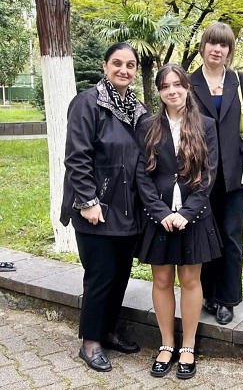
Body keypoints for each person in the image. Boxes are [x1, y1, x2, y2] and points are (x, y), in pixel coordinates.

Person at [60, 43, 147, 372]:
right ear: (105, 65)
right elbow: (77, 156)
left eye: (130, 65)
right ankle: (91, 342)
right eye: (117, 63)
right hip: (96, 208)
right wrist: (87, 201)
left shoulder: (137, 108)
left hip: (127, 209)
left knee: (120, 274)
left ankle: (109, 331)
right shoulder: (88, 103)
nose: (124, 70)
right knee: (101, 275)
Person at [135, 63, 220, 379]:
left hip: (193, 217)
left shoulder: (206, 125)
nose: (172, 91)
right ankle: (167, 344)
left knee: (191, 281)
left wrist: (186, 213)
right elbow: (141, 174)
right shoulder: (147, 126)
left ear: (187, 88)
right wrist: (161, 213)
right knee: (161, 280)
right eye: (165, 86)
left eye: (177, 85)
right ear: (159, 92)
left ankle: (188, 346)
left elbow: (209, 174)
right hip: (157, 217)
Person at [190, 22, 243, 325]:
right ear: (203, 46)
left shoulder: (240, 81)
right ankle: (207, 293)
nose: (217, 50)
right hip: (199, 175)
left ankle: (227, 299)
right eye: (212, 43)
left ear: (229, 50)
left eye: (224, 45)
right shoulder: (189, 82)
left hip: (233, 173)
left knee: (231, 237)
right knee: (205, 236)